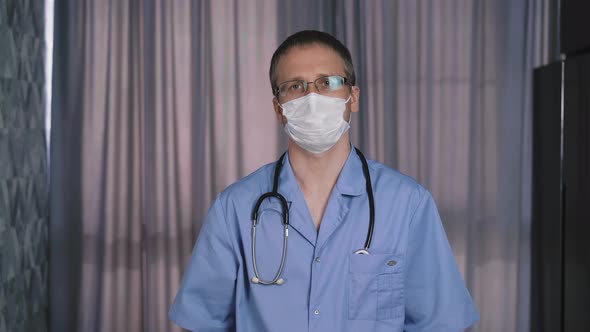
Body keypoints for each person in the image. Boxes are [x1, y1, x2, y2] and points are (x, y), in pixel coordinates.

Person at [169, 30, 479, 332]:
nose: (312, 98)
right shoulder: (235, 207)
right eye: (295, 86)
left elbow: (440, 323)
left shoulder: (407, 203)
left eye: (328, 83)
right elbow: (200, 324)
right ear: (279, 109)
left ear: (352, 97)